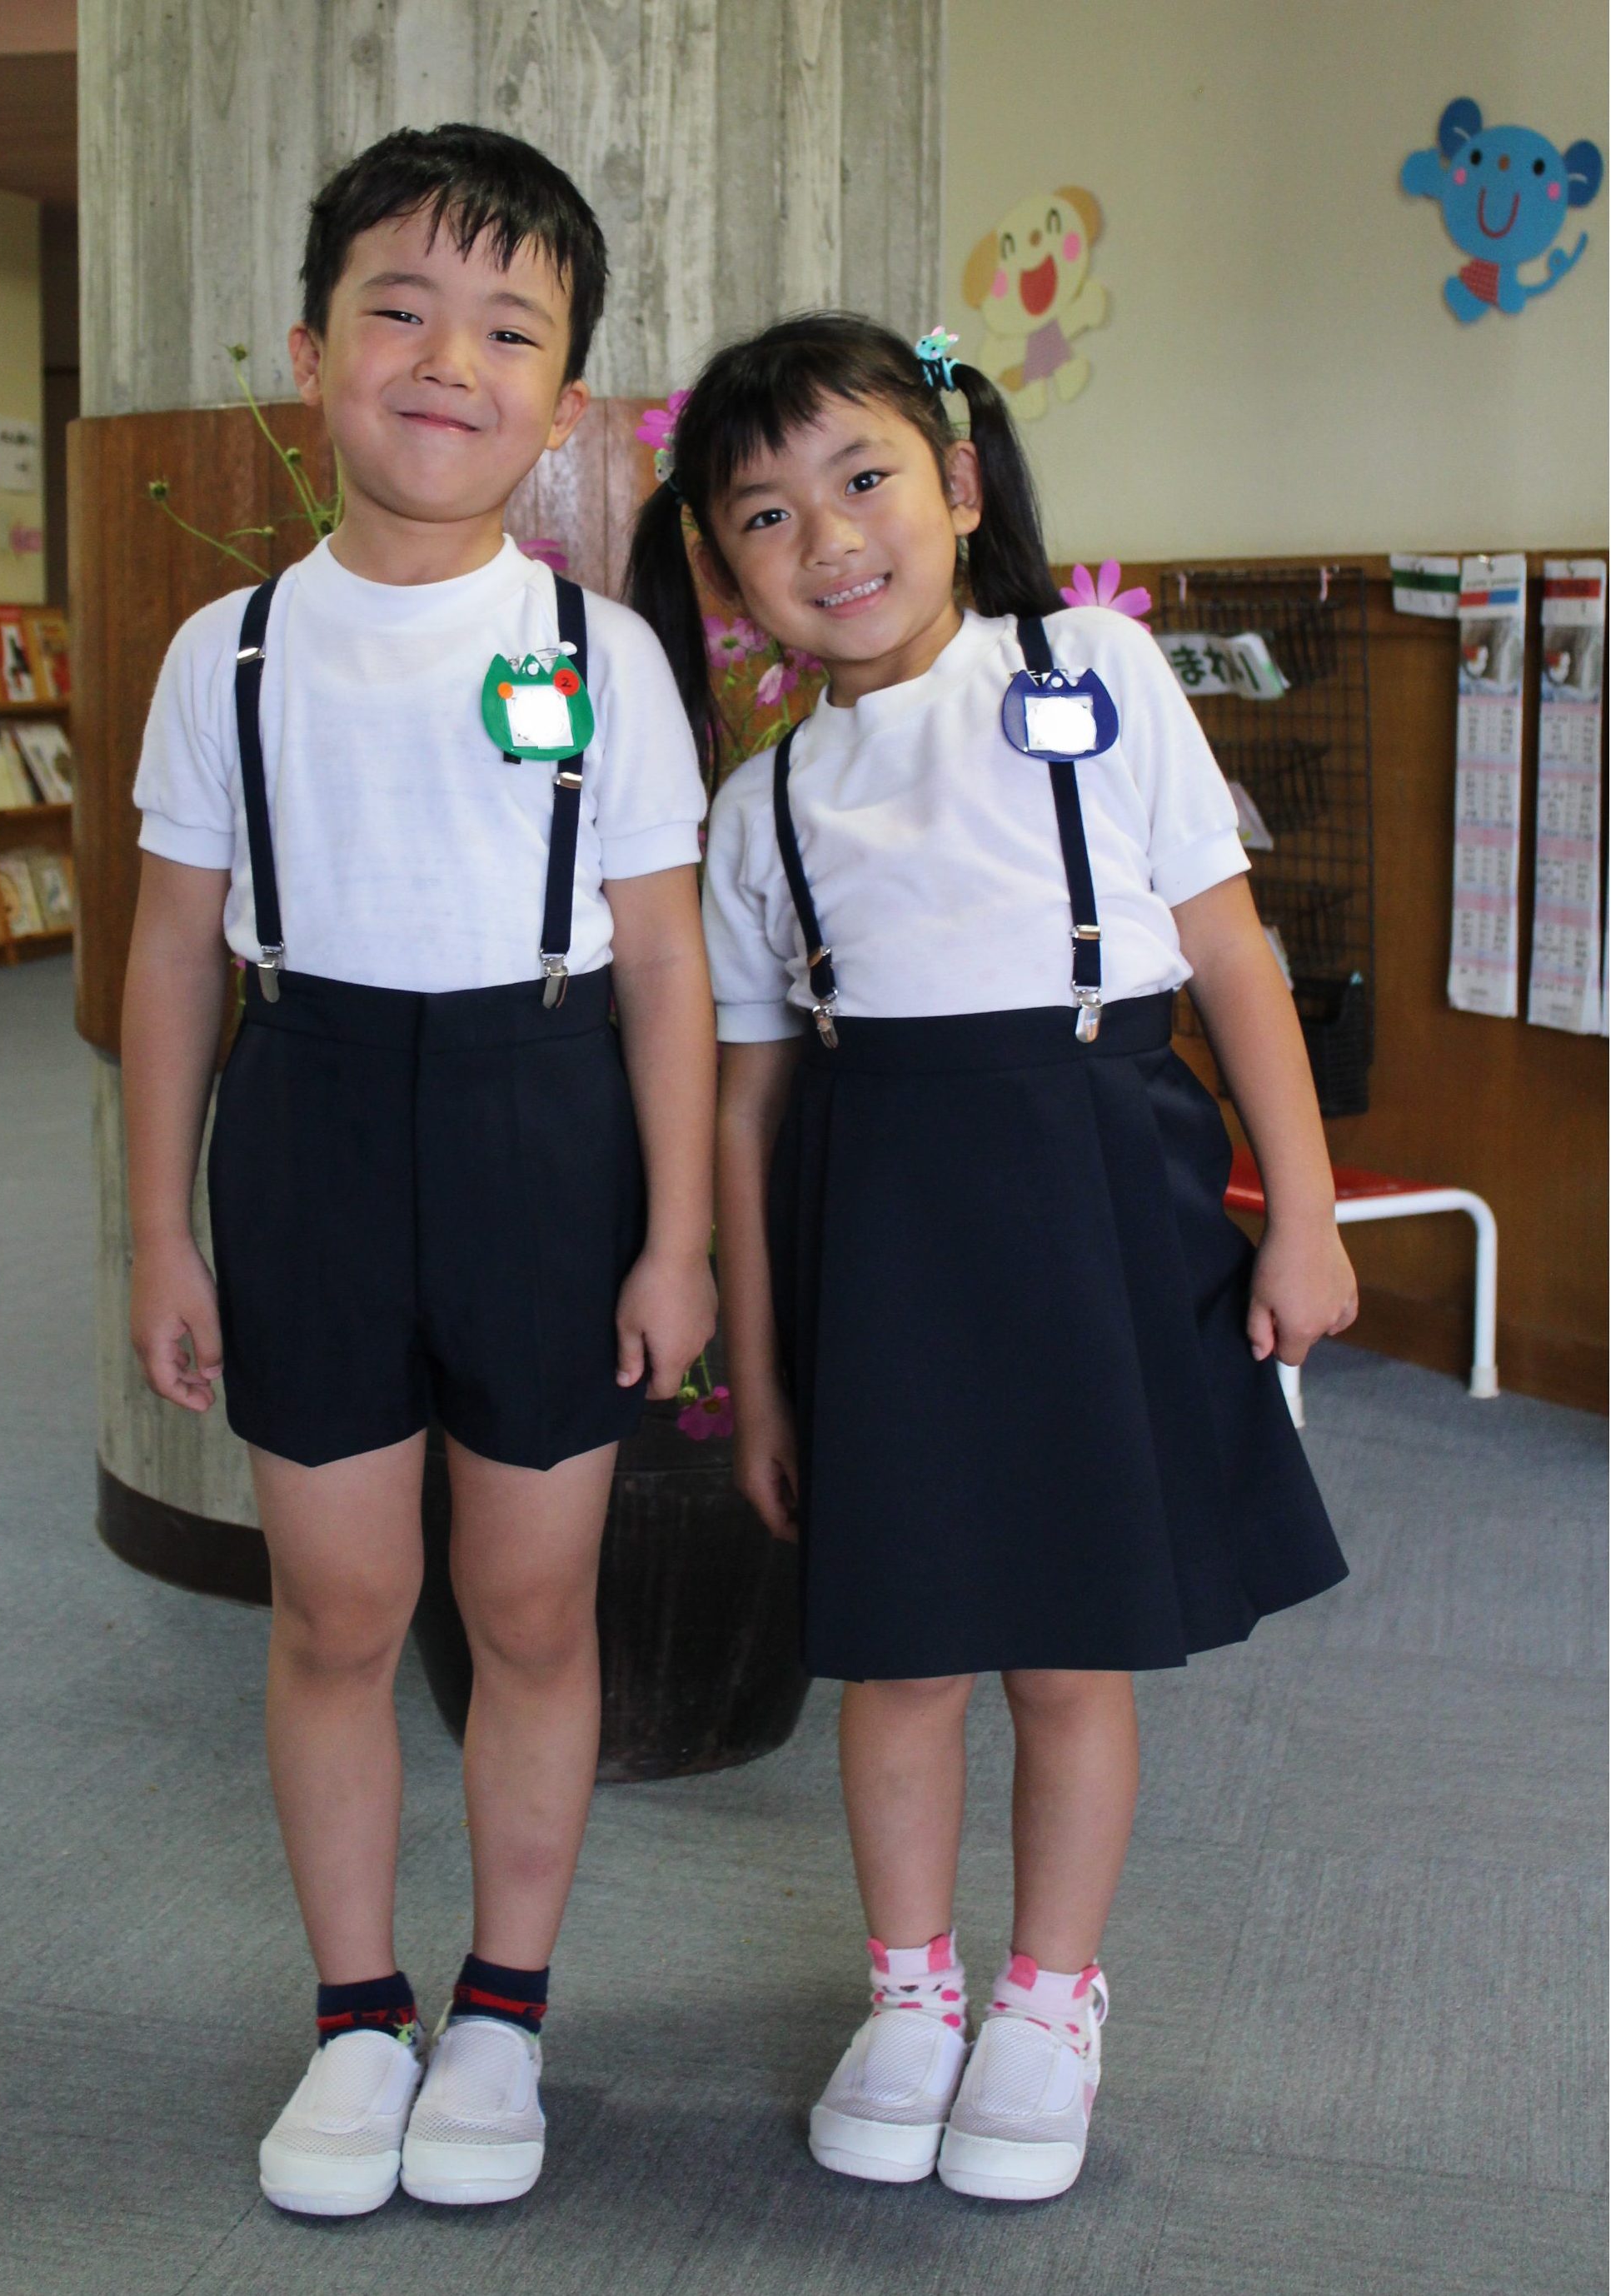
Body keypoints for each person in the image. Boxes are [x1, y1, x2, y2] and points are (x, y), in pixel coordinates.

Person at [627, 312, 1353, 2204]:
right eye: (765, 514)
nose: (827, 536)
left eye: (862, 477)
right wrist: (763, 1379)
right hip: (880, 1233)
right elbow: (747, 1115)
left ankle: (1045, 1997)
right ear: (724, 571)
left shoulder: (1092, 668)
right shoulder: (757, 802)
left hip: (1095, 1193)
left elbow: (1229, 949)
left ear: (955, 482)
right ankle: (910, 1989)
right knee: (902, 1653)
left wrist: (1308, 1210)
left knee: (1063, 1646)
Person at [121, 123, 716, 2217]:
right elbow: (178, 946)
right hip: (311, 1124)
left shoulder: (607, 652)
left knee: (531, 1604)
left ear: (561, 404)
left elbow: (662, 963)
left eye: (507, 328)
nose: (445, 359)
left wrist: (677, 1233)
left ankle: (503, 2012)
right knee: (339, 1603)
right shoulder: (232, 651)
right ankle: (356, 2012)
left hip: (543, 1131)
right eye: (398, 306)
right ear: (312, 351)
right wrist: (159, 1232)